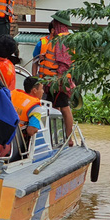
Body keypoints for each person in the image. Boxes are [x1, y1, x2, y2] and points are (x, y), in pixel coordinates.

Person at [33, 10, 76, 145]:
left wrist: (60, 80)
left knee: (64, 108)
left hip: (59, 82)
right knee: (53, 109)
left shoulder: (63, 40)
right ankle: (56, 138)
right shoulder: (56, 40)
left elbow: (65, 63)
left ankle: (68, 138)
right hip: (49, 83)